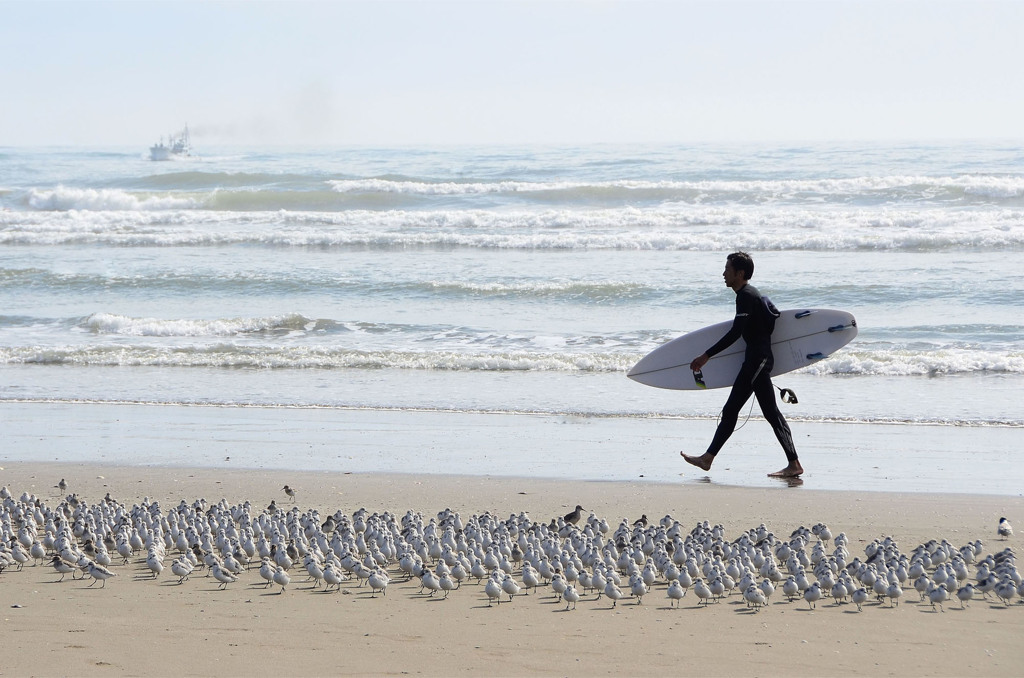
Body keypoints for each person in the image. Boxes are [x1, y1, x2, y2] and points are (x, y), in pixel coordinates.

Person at [681, 252, 803, 478]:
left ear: (740, 273)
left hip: (758, 361)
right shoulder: (748, 295)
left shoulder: (746, 296)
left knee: (768, 413)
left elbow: (736, 332)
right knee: (737, 410)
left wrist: (706, 355)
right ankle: (708, 458)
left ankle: (794, 464)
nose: (723, 273)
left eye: (727, 269)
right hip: (755, 361)